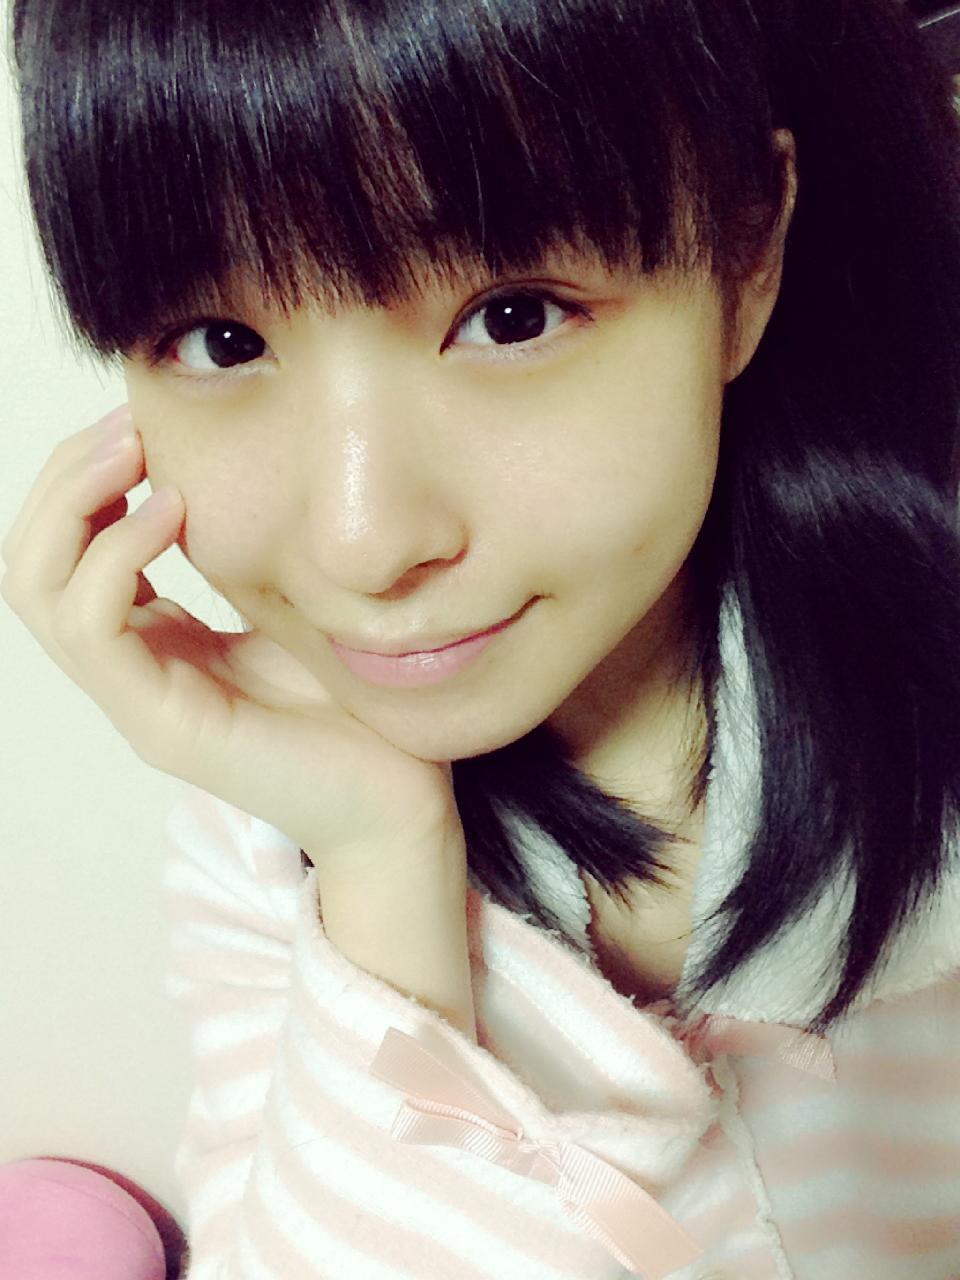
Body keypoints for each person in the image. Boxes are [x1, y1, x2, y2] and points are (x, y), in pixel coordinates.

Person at [2, 0, 959, 1276]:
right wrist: (380, 861)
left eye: (512, 315)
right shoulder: (270, 828)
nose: (362, 542)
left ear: (745, 256)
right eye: (220, 342)